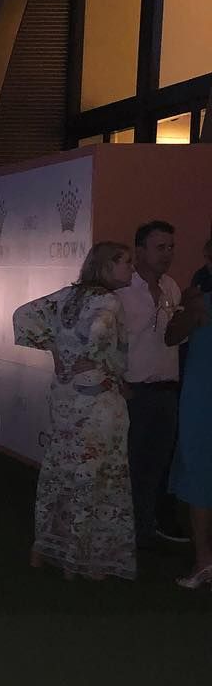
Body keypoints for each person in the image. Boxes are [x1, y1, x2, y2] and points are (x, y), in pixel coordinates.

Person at [13, 242, 136, 581]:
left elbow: (24, 314)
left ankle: (46, 548)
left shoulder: (68, 296)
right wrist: (104, 365)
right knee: (96, 475)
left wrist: (56, 349)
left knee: (60, 470)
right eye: (126, 262)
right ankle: (81, 559)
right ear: (107, 266)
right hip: (97, 402)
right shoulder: (109, 302)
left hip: (66, 397)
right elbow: (100, 333)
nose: (131, 269)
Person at [117, 221, 186, 550]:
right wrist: (118, 383)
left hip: (166, 392)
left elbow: (175, 338)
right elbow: (107, 342)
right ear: (140, 251)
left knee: (156, 465)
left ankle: (145, 530)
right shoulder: (121, 290)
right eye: (160, 247)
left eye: (171, 247)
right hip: (133, 392)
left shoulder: (172, 286)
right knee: (127, 465)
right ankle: (120, 534)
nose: (167, 254)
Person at [168, 272, 212, 587]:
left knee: (199, 473)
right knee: (199, 473)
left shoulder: (200, 302)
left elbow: (172, 336)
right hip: (201, 398)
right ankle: (204, 561)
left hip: (201, 398)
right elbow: (172, 336)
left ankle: (204, 560)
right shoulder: (200, 302)